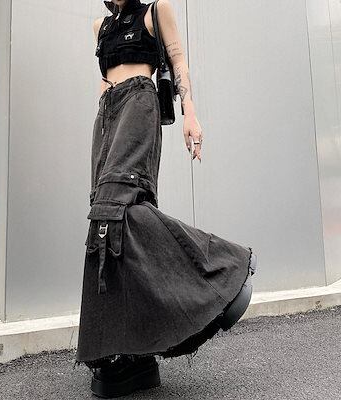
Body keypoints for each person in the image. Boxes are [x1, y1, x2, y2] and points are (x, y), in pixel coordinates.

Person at [74, 0, 257, 398]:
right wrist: (101, 126)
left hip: (140, 104)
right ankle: (129, 356)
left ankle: (223, 266)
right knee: (104, 222)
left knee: (120, 208)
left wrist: (190, 114)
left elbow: (178, 63)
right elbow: (104, 82)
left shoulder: (156, 12)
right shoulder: (100, 27)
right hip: (107, 113)